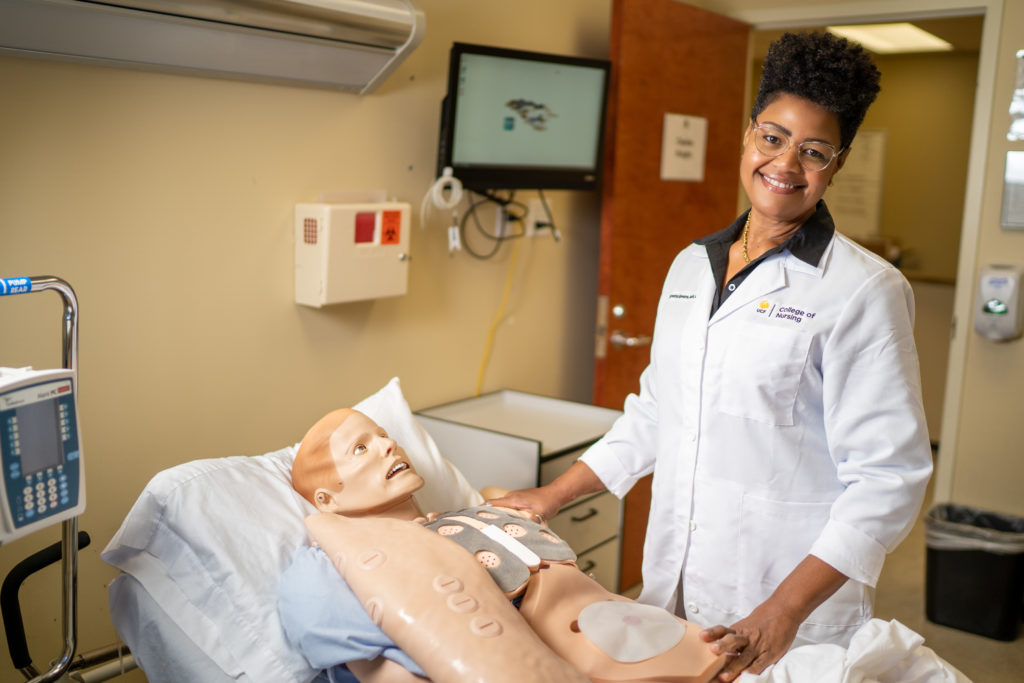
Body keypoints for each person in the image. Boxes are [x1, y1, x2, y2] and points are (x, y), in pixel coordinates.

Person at [488, 31, 933, 683]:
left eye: (813, 151)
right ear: (749, 134)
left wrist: (780, 611)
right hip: (676, 581)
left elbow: (888, 479)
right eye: (774, 137)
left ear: (837, 164)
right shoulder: (691, 266)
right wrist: (551, 495)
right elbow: (658, 410)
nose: (786, 163)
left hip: (787, 605)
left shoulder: (863, 289)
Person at [280, 408, 727, 683]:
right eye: (361, 448)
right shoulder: (325, 571)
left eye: (382, 433)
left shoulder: (474, 513)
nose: (387, 444)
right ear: (327, 499)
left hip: (669, 639)